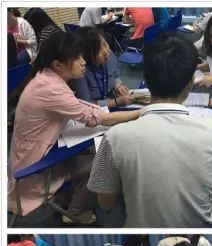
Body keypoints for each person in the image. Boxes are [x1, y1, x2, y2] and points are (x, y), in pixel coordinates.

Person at [88, 33, 212, 228]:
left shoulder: (115, 137)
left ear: (146, 80)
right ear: (190, 84)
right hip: (201, 228)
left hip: (142, 231)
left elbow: (105, 202)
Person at [8, 31, 141, 226]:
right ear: (58, 65)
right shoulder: (50, 89)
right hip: (35, 166)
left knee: (94, 150)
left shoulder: (47, 78)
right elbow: (97, 116)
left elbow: (86, 107)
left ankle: (67, 198)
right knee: (102, 162)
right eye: (77, 58)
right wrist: (140, 113)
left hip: (42, 149)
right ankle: (74, 212)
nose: (83, 62)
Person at [69, 27, 134, 108]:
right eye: (98, 50)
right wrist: (116, 102)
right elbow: (87, 104)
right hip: (94, 111)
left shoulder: (110, 55)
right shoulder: (80, 71)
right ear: (87, 55)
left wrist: (118, 86)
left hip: (113, 101)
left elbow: (115, 76)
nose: (106, 51)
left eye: (105, 44)